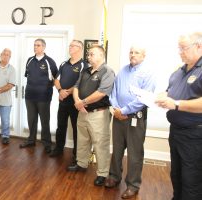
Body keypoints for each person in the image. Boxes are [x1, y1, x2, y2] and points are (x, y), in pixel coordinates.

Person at [155, 32, 202, 200]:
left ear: (199, 46)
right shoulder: (179, 70)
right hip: (176, 132)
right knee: (177, 175)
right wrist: (163, 96)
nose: (180, 52)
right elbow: (171, 91)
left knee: (192, 179)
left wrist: (176, 104)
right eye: (179, 48)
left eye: (184, 48)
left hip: (194, 135)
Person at [106, 45, 156, 199]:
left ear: (144, 55)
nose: (133, 55)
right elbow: (114, 92)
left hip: (135, 118)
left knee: (134, 154)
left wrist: (125, 110)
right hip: (118, 117)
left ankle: (133, 185)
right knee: (117, 150)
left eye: (137, 52)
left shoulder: (148, 73)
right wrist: (116, 109)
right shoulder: (123, 71)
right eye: (131, 52)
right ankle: (114, 176)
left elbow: (144, 99)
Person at [67, 45, 115, 187]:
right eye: (88, 54)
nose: (88, 57)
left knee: (100, 144)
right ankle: (81, 164)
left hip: (98, 114)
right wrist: (77, 102)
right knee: (82, 140)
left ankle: (102, 173)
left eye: (92, 54)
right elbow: (76, 87)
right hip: (82, 112)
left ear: (101, 55)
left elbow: (102, 92)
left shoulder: (107, 71)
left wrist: (83, 102)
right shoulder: (86, 70)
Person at [50, 40, 88, 163]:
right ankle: (58, 149)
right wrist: (60, 90)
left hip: (75, 102)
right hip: (63, 101)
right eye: (70, 45)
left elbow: (81, 83)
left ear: (80, 49)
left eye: (73, 46)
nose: (70, 47)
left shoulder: (84, 65)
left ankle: (77, 155)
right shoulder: (63, 64)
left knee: (77, 129)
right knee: (60, 126)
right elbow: (56, 79)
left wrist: (68, 92)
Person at [19, 38, 58, 154]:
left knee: (44, 121)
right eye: (35, 45)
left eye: (38, 45)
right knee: (31, 119)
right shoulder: (30, 60)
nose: (36, 47)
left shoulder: (49, 61)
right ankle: (31, 140)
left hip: (44, 97)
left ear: (44, 47)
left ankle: (46, 143)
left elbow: (56, 78)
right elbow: (29, 76)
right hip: (30, 96)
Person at [0, 48, 16, 144]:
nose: (5, 56)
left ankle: (5, 136)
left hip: (5, 101)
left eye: (7, 55)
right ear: (1, 55)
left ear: (10, 57)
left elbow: (11, 84)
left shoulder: (12, 69)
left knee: (5, 120)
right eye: (4, 54)